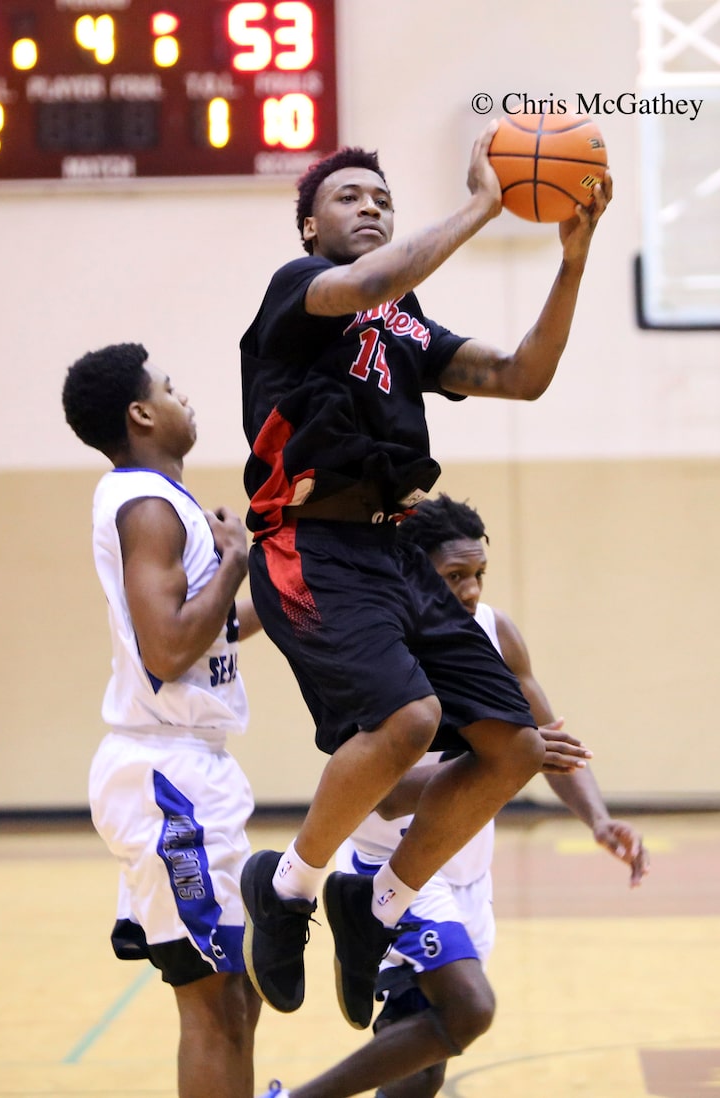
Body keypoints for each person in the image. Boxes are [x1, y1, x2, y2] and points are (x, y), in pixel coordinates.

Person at [239, 123, 613, 1035]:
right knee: (409, 722)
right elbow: (370, 282)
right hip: (312, 543)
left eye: (382, 198)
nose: (370, 207)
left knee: (514, 744)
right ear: (309, 228)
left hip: (396, 549)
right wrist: (486, 204)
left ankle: (384, 904)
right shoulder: (301, 293)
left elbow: (521, 375)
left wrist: (574, 256)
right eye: (349, 197)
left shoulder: (406, 323)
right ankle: (287, 886)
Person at [257, 494, 649, 1098]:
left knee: (424, 1066)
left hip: (467, 876)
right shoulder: (387, 646)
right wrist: (500, 760)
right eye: (454, 577)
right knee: (469, 1008)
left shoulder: (496, 633)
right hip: (391, 868)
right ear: (415, 575)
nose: (469, 592)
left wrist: (597, 819)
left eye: (478, 575)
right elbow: (383, 798)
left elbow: (552, 744)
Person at [61, 342, 262, 1098]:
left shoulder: (159, 502)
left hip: (189, 768)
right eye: (169, 387)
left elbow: (213, 631)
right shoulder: (145, 503)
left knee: (237, 998)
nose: (185, 397)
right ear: (142, 413)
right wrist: (237, 564)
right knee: (212, 1007)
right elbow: (171, 645)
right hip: (166, 776)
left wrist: (278, 578)